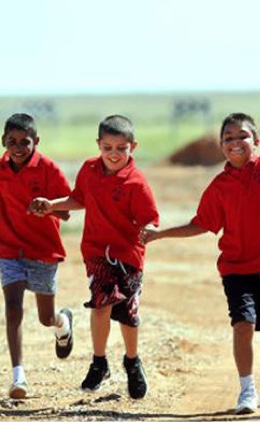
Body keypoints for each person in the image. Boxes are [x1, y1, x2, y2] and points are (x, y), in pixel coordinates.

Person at [140, 111, 260, 414]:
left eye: (242, 136)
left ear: (256, 141)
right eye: (228, 138)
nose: (235, 142)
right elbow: (201, 223)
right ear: (221, 145)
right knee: (243, 324)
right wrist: (161, 234)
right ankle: (247, 389)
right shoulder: (219, 186)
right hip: (236, 268)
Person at [29, 115, 159, 399]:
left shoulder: (136, 183)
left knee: (127, 314)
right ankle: (99, 363)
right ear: (98, 144)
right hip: (97, 252)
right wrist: (51, 205)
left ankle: (132, 361)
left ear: (133, 147)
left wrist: (150, 229)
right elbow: (79, 199)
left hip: (128, 256)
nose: (114, 154)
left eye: (121, 148)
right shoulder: (89, 169)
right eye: (107, 147)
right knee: (101, 305)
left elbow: (150, 219)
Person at [0, 113, 74, 399]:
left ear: (36, 141)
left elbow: (68, 212)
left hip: (43, 251)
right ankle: (18, 377)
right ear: (4, 141)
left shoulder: (48, 169)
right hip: (8, 250)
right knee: (13, 309)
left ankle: (62, 322)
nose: (18, 147)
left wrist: (49, 206)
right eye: (12, 141)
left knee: (46, 318)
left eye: (25, 142)